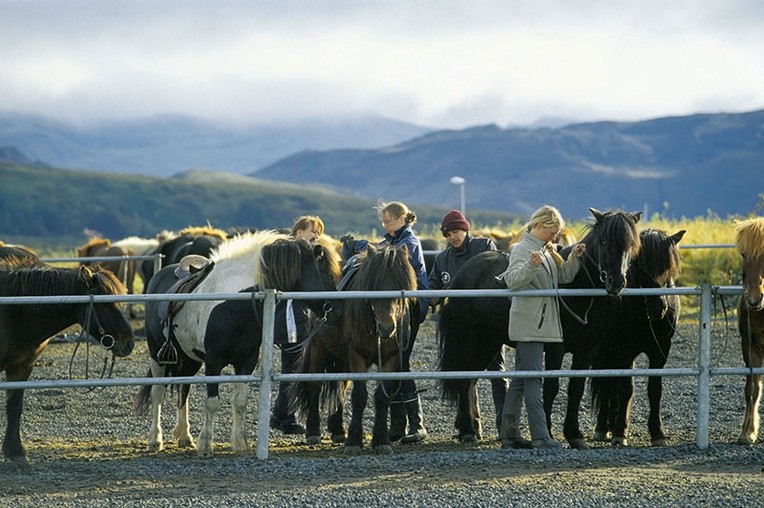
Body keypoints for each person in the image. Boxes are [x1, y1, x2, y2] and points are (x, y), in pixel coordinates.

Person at [499, 205, 586, 449]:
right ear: (540, 226)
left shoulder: (544, 251)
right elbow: (512, 281)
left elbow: (564, 277)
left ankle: (509, 434)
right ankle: (541, 436)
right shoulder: (522, 250)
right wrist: (532, 265)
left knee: (520, 380)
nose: (555, 237)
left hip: (534, 323)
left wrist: (575, 257)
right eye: (553, 232)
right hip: (530, 325)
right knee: (533, 379)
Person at [342, 200, 429, 443]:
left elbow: (388, 253)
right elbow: (381, 248)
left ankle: (416, 424)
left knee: (401, 363)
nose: (385, 225)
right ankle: (399, 426)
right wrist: (363, 246)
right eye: (383, 221)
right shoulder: (394, 239)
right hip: (392, 303)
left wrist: (364, 247)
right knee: (399, 367)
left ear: (401, 219)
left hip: (410, 305)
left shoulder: (408, 242)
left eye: (388, 221)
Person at [427, 210, 509, 437]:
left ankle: (505, 423)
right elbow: (433, 284)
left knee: (497, 369)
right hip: (462, 322)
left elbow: (494, 274)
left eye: (455, 231)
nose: (452, 237)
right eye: (448, 234)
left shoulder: (484, 247)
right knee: (464, 370)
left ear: (465, 229)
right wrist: (432, 296)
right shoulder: (443, 258)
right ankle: (469, 422)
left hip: (488, 320)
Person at [269, 215, 326, 435]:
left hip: (295, 314)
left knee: (292, 366)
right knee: (292, 366)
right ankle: (284, 417)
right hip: (290, 315)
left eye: (319, 232)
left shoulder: (290, 251)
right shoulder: (294, 254)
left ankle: (281, 414)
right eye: (313, 231)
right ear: (299, 232)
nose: (316, 236)